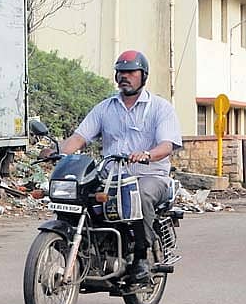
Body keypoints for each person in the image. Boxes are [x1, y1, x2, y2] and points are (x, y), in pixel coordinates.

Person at [44, 50, 182, 282]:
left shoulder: (160, 108)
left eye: (131, 72)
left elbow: (167, 145)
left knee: (139, 195)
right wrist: (58, 151)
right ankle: (84, 249)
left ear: (143, 76)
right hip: (111, 176)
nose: (125, 76)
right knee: (77, 195)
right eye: (121, 72)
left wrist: (147, 154)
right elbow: (79, 137)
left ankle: (141, 257)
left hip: (149, 174)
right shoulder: (105, 108)